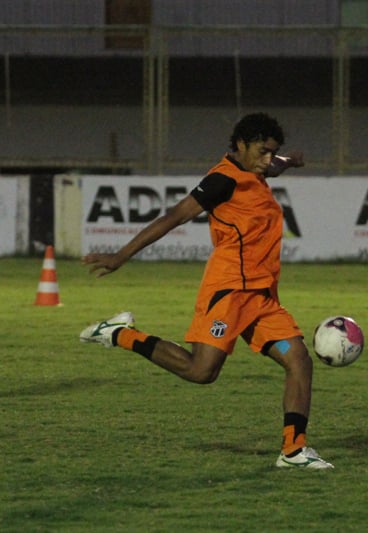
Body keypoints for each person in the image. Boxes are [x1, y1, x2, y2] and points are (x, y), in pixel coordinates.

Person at [80, 112, 333, 469]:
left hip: (260, 297)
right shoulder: (220, 181)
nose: (267, 160)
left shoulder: (257, 169)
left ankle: (293, 450)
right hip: (228, 291)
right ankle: (121, 334)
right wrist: (121, 255)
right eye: (262, 151)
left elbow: (273, 166)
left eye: (271, 152)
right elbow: (173, 217)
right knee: (202, 372)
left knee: (299, 360)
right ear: (240, 146)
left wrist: (289, 161)